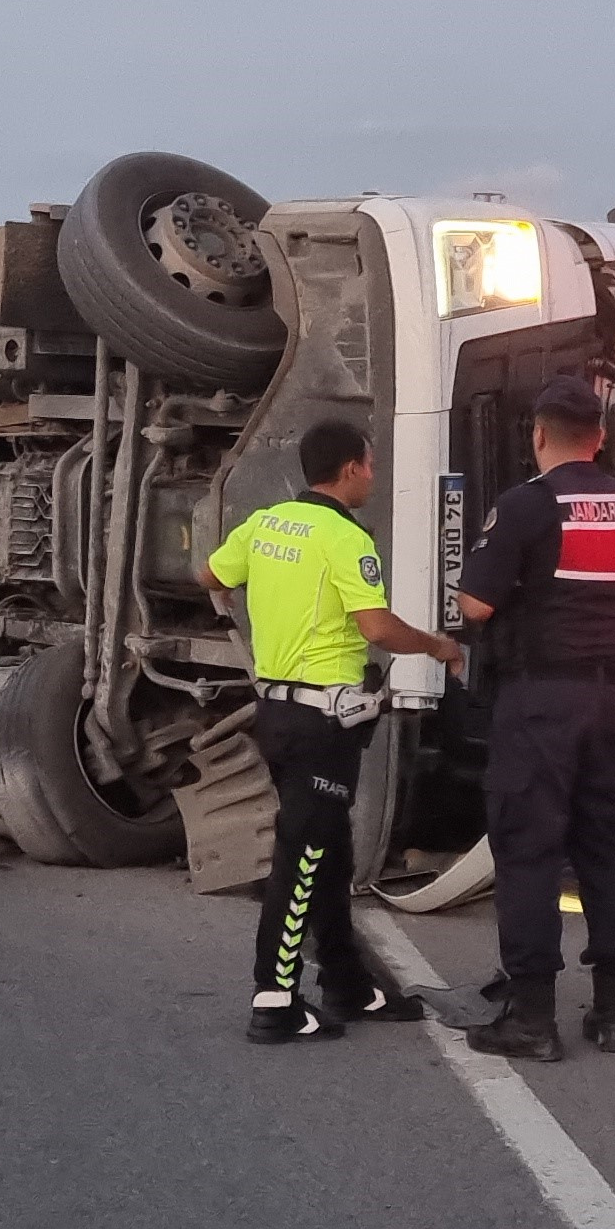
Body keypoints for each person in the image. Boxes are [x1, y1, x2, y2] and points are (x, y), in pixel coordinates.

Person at [201, 419, 467, 1043]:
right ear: (349, 469)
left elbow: (212, 577)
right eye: (370, 466)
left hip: (277, 713)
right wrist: (436, 646)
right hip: (324, 720)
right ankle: (274, 998)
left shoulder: (264, 524)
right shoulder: (346, 540)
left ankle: (348, 985)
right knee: (303, 854)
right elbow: (376, 629)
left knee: (330, 849)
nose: (373, 476)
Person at [455, 377, 615, 1060]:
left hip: (543, 700)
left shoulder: (526, 506)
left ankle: (533, 1016)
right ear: (598, 437)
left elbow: (476, 607)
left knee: (530, 851)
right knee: (607, 848)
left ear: (539, 434)